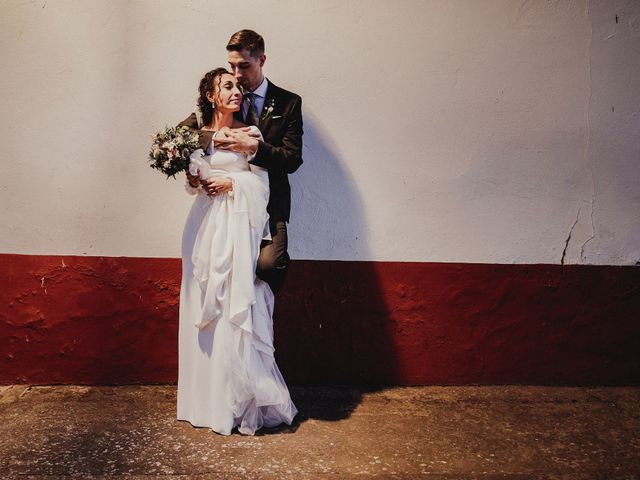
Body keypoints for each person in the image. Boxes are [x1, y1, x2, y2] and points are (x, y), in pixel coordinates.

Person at [176, 68, 297, 435]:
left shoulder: (250, 133)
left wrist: (233, 181)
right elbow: (194, 178)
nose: (237, 92)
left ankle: (233, 401)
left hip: (236, 226)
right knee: (201, 304)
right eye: (227, 86)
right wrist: (196, 178)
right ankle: (202, 401)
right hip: (202, 227)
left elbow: (262, 183)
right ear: (211, 96)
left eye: (239, 88)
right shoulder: (197, 135)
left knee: (231, 306)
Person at [181, 29, 303, 293]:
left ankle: (260, 323)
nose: (236, 75)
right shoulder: (216, 101)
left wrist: (255, 148)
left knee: (268, 266)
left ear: (262, 60)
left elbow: (292, 159)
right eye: (232, 66)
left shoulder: (288, 103)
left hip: (269, 204)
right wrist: (212, 143)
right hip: (219, 210)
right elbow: (180, 138)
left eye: (244, 66)